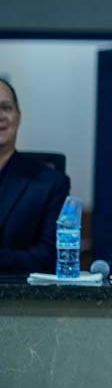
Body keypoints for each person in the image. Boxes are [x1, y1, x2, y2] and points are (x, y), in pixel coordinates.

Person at [0, 78, 71, 274]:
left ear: (18, 117)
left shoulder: (50, 183)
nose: (0, 116)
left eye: (6, 108)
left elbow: (49, 256)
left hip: (20, 297)